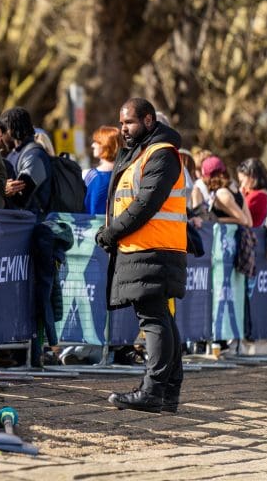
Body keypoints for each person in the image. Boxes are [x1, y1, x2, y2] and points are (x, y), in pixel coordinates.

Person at [96, 97, 187, 413]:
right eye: (121, 123)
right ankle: (166, 394)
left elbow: (145, 204)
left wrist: (112, 232)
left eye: (129, 122)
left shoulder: (161, 154)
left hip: (153, 248)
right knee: (161, 318)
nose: (123, 129)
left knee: (153, 319)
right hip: (145, 247)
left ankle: (152, 392)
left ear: (149, 120)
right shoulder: (141, 153)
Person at [1, 107, 52, 214]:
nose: (1, 137)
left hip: (35, 221)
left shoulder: (34, 155)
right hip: (20, 220)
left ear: (10, 129)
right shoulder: (14, 154)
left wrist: (2, 190)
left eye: (3, 131)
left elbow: (21, 198)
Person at [201, 156, 252, 227]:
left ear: (209, 177)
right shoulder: (235, 190)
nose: (202, 179)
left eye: (204, 176)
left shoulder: (221, 194)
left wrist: (215, 220)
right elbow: (250, 223)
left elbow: (243, 220)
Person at [83, 126, 122, 215]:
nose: (93, 145)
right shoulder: (126, 173)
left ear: (106, 145)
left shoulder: (91, 176)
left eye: (97, 142)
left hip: (90, 223)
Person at [236, 158, 267, 228]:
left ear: (252, 177)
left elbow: (239, 213)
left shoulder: (258, 196)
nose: (242, 185)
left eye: (242, 181)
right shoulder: (256, 194)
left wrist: (240, 196)